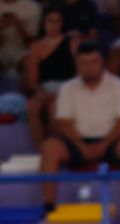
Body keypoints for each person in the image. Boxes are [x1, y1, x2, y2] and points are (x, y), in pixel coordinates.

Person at [39, 42, 120, 217]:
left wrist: (104, 144)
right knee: (50, 147)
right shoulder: (67, 88)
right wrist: (81, 146)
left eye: (93, 62)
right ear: (77, 65)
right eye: (83, 63)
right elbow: (63, 123)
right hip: (76, 141)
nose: (89, 67)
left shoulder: (119, 85)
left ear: (102, 62)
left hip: (111, 140)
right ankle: (48, 206)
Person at [21, 6, 78, 150]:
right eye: (50, 21)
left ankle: (57, 148)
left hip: (68, 87)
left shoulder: (72, 43)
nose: (53, 25)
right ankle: (41, 150)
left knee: (55, 108)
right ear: (44, 23)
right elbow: (33, 80)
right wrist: (39, 91)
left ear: (62, 23)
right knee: (32, 106)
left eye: (57, 21)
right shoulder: (36, 47)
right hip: (45, 88)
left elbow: (79, 73)